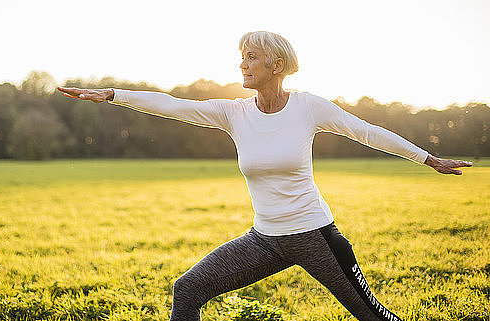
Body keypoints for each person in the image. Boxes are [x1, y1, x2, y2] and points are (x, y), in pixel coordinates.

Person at [57, 31, 472, 321]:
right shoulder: (233, 113)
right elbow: (173, 105)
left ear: (276, 64)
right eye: (241, 56)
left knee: (372, 316)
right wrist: (113, 95)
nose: (242, 64)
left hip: (315, 239)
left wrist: (427, 158)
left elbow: (367, 132)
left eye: (251, 56)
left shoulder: (309, 107)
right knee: (187, 290)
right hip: (264, 239)